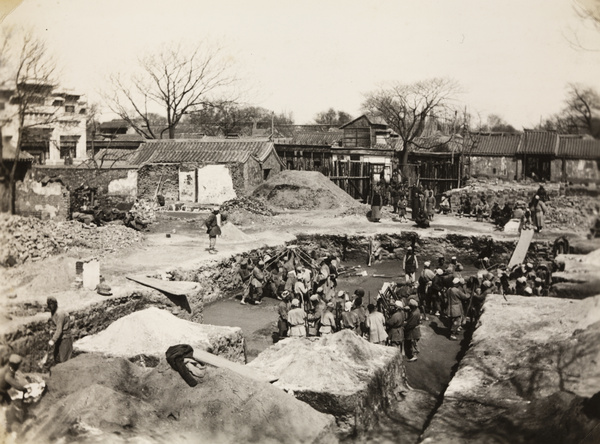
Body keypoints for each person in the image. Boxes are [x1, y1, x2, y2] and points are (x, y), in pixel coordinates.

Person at [0, 354, 30, 433]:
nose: (19, 366)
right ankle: (5, 429)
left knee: (10, 405)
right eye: (18, 365)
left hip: (3, 392)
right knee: (4, 411)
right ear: (15, 365)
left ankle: (10, 421)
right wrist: (23, 389)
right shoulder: (8, 373)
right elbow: (13, 383)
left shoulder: (9, 368)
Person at [47, 296, 73, 364]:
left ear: (56, 304)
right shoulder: (53, 312)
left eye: (52, 304)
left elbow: (59, 330)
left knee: (64, 360)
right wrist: (52, 329)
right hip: (59, 338)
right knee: (56, 358)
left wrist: (53, 340)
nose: (51, 306)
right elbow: (53, 323)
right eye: (49, 304)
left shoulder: (60, 313)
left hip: (65, 338)